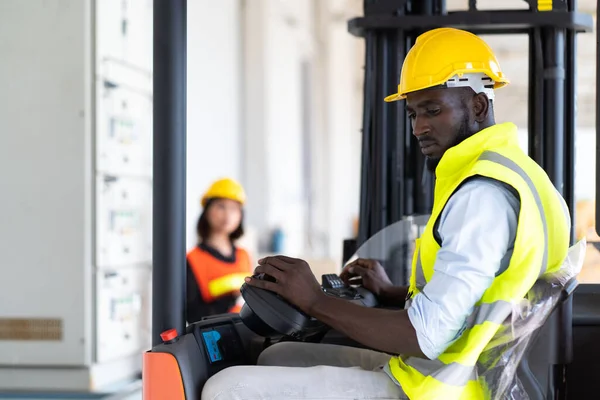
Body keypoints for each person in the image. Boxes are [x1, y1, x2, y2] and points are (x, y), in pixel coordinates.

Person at [201, 27, 571, 400]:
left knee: (228, 387)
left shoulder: (481, 194)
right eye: (413, 113)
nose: (419, 127)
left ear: (477, 105)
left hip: (446, 388)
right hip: (442, 370)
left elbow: (424, 335)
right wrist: (393, 293)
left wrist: (313, 299)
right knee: (277, 356)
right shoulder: (516, 175)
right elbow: (477, 298)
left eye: (433, 110)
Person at [186, 177, 252, 323]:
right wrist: (232, 297)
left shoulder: (244, 255)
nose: (228, 214)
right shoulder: (192, 259)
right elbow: (193, 315)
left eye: (234, 208)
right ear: (207, 211)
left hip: (248, 334)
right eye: (221, 206)